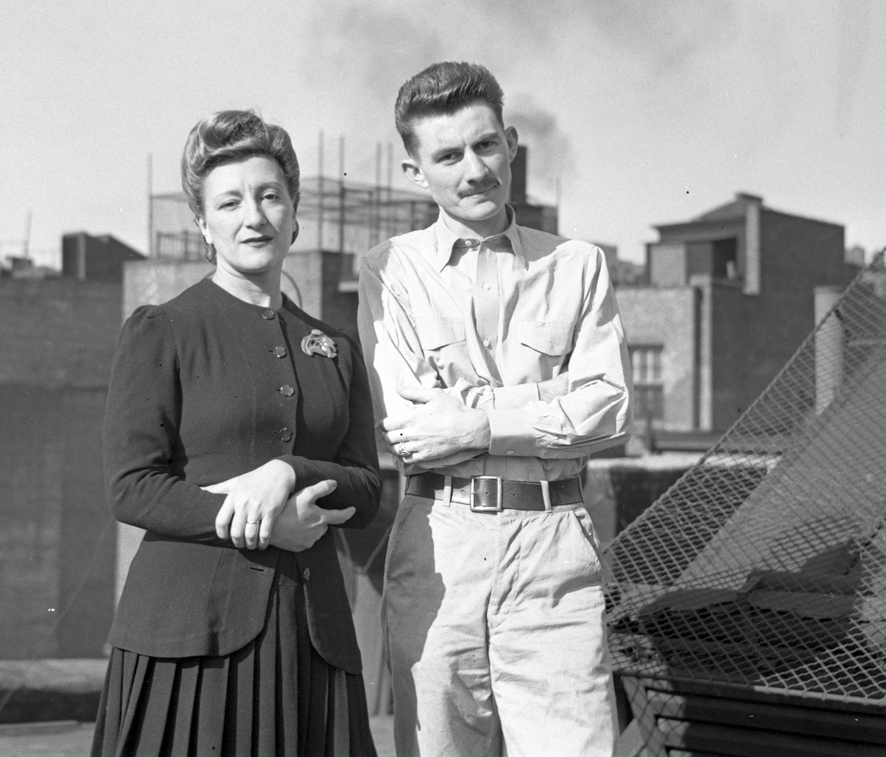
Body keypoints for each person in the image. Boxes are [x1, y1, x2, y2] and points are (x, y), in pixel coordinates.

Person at [357, 62, 632, 757]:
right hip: (439, 544)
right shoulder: (388, 268)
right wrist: (546, 402)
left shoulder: (578, 265)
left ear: (510, 143)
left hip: (554, 547)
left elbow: (608, 407)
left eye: (485, 146)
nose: (474, 169)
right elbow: (410, 429)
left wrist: (477, 420)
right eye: (448, 155)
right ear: (416, 170)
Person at [92, 110, 381, 757]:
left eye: (269, 195)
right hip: (193, 636)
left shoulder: (333, 346)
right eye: (230, 202)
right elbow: (131, 487)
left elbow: (366, 489)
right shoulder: (163, 329)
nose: (254, 216)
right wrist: (261, 521)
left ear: (294, 211)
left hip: (313, 633)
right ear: (204, 225)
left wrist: (289, 472)